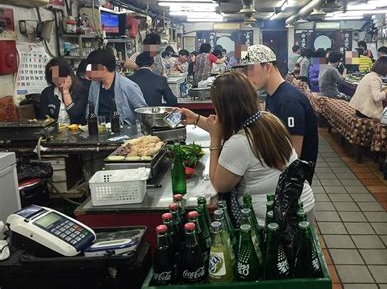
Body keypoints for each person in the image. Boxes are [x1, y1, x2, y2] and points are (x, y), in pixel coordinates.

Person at [178, 72, 315, 224]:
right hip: (301, 204)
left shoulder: (239, 143)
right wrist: (196, 119)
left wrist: (215, 140)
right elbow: (227, 131)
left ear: (224, 108)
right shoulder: (267, 119)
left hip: (279, 218)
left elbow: (220, 184)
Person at [244, 44, 319, 184]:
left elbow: (292, 155)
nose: (248, 76)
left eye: (251, 69)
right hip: (279, 172)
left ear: (267, 67)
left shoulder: (289, 102)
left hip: (293, 183)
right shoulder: (273, 94)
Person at [86, 46, 147, 125]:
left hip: (124, 131)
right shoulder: (94, 85)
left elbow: (143, 111)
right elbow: (90, 106)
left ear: (103, 68)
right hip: (100, 130)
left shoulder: (127, 86)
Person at [39, 57, 88, 124]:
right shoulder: (47, 93)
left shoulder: (81, 91)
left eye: (61, 74)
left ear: (68, 74)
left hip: (77, 131)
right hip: (54, 132)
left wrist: (65, 91)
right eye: (53, 75)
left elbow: (75, 114)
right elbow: (43, 119)